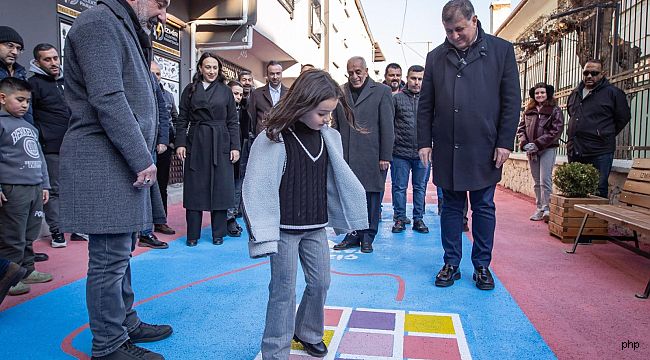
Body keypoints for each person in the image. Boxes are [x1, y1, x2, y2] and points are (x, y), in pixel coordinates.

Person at [60, 0, 173, 358]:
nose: (164, 14)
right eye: (161, 3)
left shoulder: (121, 26)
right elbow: (108, 97)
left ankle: (125, 322)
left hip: (117, 158)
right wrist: (142, 157)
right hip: (104, 159)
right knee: (109, 258)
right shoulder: (98, 23)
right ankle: (109, 346)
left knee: (120, 253)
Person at [243, 69, 368, 360]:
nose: (327, 119)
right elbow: (258, 186)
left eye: (330, 113)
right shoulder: (274, 138)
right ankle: (275, 351)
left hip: (315, 227)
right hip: (284, 230)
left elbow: (338, 180)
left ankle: (308, 331)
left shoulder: (328, 137)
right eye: (323, 113)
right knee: (283, 291)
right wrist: (262, 232)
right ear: (303, 104)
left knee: (321, 281)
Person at [417, 0, 521, 290]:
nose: (454, 36)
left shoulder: (501, 51)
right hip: (448, 148)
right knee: (450, 208)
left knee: (484, 207)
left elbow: (512, 102)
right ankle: (451, 263)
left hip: (485, 147)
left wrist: (504, 141)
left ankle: (482, 266)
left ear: (474, 21)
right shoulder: (435, 57)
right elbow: (426, 105)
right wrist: (424, 142)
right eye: (448, 31)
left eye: (459, 29)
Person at [28, 43, 90, 248]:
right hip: (51, 147)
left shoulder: (68, 81)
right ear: (37, 62)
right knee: (54, 190)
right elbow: (30, 116)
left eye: (55, 58)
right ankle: (57, 231)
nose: (54, 63)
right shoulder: (33, 85)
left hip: (75, 144)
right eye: (47, 59)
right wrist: (41, 139)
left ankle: (78, 228)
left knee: (78, 186)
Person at [175, 52, 240, 247]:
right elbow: (182, 119)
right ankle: (192, 235)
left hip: (220, 141)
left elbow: (232, 121)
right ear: (200, 68)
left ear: (219, 70)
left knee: (220, 187)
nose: (211, 71)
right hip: (197, 141)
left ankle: (218, 233)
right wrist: (180, 143)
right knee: (195, 188)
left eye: (215, 67)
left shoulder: (226, 91)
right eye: (207, 67)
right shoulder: (190, 90)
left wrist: (235, 146)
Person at [332, 56, 395, 253]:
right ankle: (354, 234)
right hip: (347, 155)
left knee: (372, 197)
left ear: (366, 71)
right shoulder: (340, 92)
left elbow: (388, 126)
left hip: (373, 155)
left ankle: (368, 236)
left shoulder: (382, 91)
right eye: (350, 72)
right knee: (350, 197)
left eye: (358, 72)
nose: (354, 76)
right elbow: (335, 125)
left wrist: (385, 155)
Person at [0, 77, 52, 297]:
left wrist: (45, 184)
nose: (24, 105)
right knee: (13, 234)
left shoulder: (30, 127)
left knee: (30, 231)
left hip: (34, 187)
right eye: (19, 99)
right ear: (2, 98)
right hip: (13, 188)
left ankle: (27, 270)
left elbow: (39, 157)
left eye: (27, 101)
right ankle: (9, 277)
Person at [567, 59, 631, 199]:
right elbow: (572, 114)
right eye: (586, 72)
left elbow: (623, 117)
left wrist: (604, 133)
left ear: (603, 74)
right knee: (575, 189)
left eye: (594, 73)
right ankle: (576, 220)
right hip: (576, 149)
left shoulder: (613, 93)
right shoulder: (575, 93)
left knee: (598, 188)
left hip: (600, 151)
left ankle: (595, 221)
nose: (589, 76)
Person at [517, 83, 564, 222]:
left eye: (542, 93)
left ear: (547, 94)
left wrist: (538, 144)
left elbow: (556, 130)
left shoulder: (554, 110)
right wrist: (524, 143)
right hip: (531, 151)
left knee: (545, 180)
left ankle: (547, 209)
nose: (540, 95)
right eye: (537, 93)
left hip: (546, 149)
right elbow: (521, 129)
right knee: (537, 181)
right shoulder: (528, 111)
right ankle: (539, 208)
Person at [391, 65, 429, 234]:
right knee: (399, 187)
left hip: (423, 153)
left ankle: (418, 219)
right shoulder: (396, 99)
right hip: (400, 153)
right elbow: (389, 124)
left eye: (420, 79)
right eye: (413, 78)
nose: (417, 82)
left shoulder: (429, 100)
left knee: (420, 187)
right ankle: (399, 219)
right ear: (407, 78)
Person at [150, 61, 177, 235]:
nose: (155, 77)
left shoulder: (168, 96)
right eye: (152, 73)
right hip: (146, 146)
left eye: (158, 74)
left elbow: (174, 117)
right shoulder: (140, 93)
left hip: (164, 147)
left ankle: (161, 221)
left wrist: (171, 141)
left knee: (161, 185)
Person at [226, 80, 248, 236]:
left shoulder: (243, 110)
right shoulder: (222, 110)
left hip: (240, 154)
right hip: (223, 154)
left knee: (237, 186)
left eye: (240, 94)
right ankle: (226, 218)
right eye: (235, 93)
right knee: (227, 187)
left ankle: (231, 217)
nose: (238, 97)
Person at [0, 26, 32, 125]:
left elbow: (29, 110)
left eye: (18, 48)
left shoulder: (21, 73)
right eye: (10, 46)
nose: (14, 52)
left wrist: (31, 129)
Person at [249, 60, 288, 135]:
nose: (275, 77)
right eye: (272, 74)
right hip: (262, 135)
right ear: (267, 75)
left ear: (281, 74)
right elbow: (252, 118)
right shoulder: (256, 93)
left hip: (284, 135)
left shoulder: (289, 93)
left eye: (278, 73)